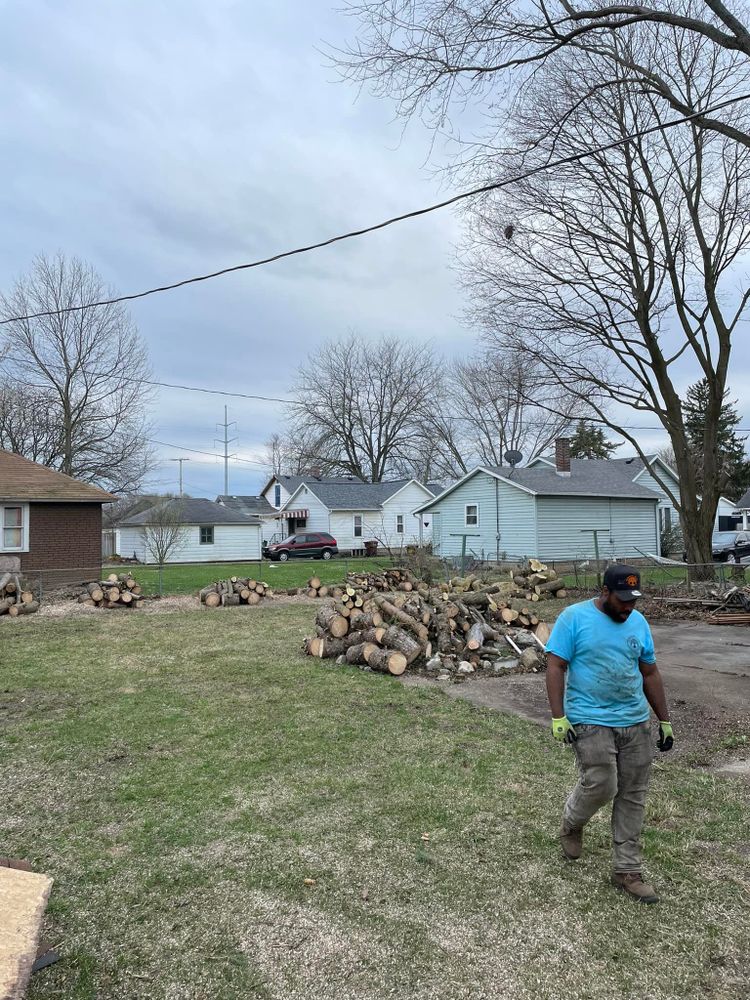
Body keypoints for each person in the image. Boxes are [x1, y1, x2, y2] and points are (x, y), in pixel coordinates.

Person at [545, 564, 673, 904]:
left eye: (634, 600)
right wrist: (558, 716)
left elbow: (650, 672)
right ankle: (572, 821)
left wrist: (665, 720)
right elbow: (556, 666)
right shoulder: (574, 618)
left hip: (634, 720)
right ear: (605, 593)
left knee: (633, 792)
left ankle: (627, 870)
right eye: (623, 600)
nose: (629, 607)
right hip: (588, 718)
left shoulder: (638, 623)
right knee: (602, 782)